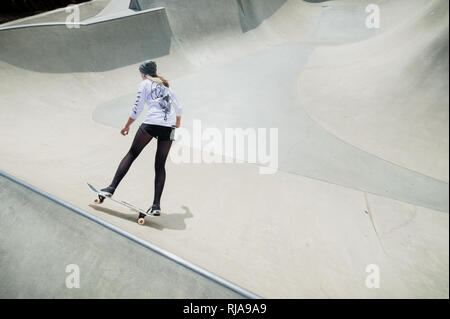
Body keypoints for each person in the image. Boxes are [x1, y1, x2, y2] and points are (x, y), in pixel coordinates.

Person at [100, 60, 182, 217]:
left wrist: (127, 125)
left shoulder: (144, 84)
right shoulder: (166, 87)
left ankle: (111, 188)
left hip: (152, 123)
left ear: (143, 73)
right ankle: (156, 205)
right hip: (169, 127)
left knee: (132, 154)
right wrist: (177, 121)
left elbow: (137, 108)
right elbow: (179, 107)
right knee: (160, 165)